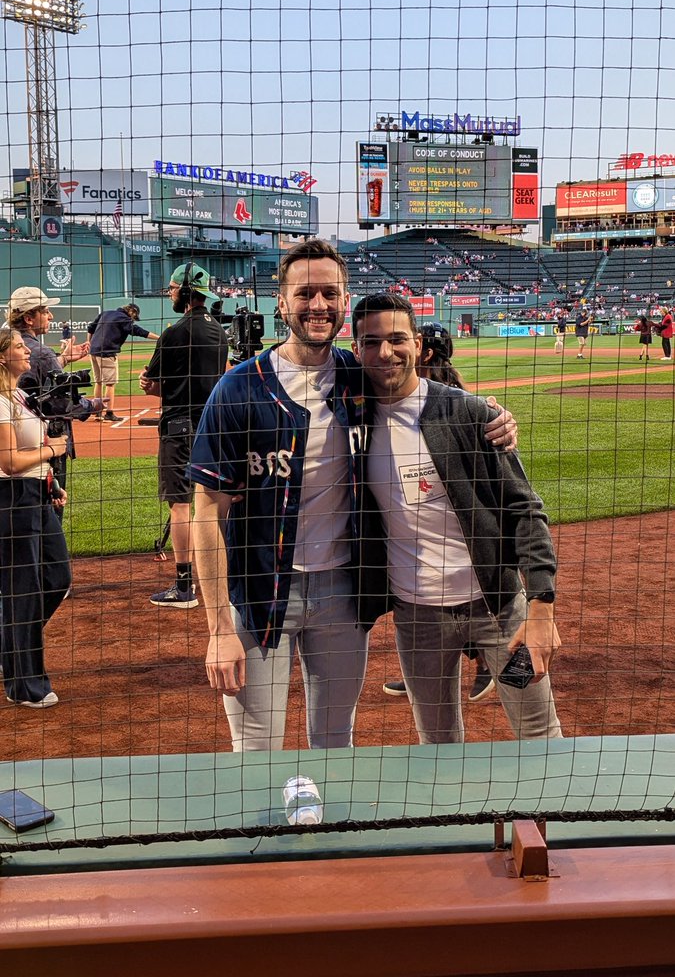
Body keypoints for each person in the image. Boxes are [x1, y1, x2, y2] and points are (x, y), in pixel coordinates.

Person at [189, 239, 516, 752]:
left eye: (329, 293)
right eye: (305, 293)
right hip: (259, 593)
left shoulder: (358, 375)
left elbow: (425, 401)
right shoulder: (237, 389)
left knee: (334, 741)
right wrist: (217, 628)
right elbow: (206, 512)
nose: (317, 304)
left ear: (344, 300)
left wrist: (490, 419)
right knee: (254, 749)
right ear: (282, 302)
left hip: (342, 592)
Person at [352, 292, 562, 745]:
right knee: (438, 743)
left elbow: (525, 508)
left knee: (539, 736)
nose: (385, 352)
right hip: (417, 619)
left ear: (419, 346)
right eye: (371, 342)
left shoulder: (468, 413)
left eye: (397, 339)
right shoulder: (351, 421)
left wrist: (542, 606)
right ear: (356, 349)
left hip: (500, 610)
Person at [383, 321, 513, 705]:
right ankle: (429, 671)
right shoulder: (391, 396)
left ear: (422, 349)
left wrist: (500, 421)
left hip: (478, 570)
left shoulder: (454, 399)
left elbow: (519, 502)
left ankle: (486, 663)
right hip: (427, 589)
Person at [139, 263, 228, 608]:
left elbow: (154, 382)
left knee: (180, 505)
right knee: (211, 503)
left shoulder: (173, 332)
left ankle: (184, 586)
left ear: (185, 292)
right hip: (212, 427)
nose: (171, 293)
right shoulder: (219, 332)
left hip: (178, 428)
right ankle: (217, 575)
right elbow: (213, 381)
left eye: (173, 288)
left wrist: (151, 388)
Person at [0, 327, 71, 708]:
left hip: (37, 496)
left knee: (57, 576)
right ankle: (24, 686)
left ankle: (7, 644)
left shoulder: (21, 394)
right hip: (11, 501)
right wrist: (52, 451)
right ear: (1, 357)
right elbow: (10, 463)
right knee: (22, 593)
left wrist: (52, 480)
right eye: (18, 347)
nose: (27, 351)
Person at [7, 286, 101, 505]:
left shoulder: (9, 345)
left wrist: (62, 360)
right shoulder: (40, 352)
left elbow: (31, 380)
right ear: (29, 318)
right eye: (45, 311)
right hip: (47, 440)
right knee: (49, 513)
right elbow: (61, 403)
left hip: (14, 440)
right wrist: (93, 405)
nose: (50, 316)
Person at [87, 303, 159, 422]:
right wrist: (159, 338)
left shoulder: (106, 313)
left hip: (93, 351)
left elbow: (90, 328)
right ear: (132, 311)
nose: (132, 320)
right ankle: (109, 413)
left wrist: (90, 344)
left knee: (98, 382)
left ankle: (97, 412)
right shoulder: (123, 318)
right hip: (107, 352)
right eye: (134, 317)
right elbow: (138, 331)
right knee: (110, 383)